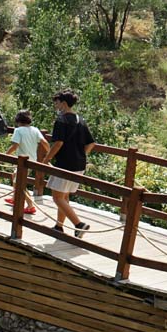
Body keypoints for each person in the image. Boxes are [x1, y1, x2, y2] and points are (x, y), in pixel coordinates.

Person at [41, 90, 97, 238]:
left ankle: (79, 225)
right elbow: (91, 143)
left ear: (63, 103)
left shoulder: (61, 120)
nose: (55, 105)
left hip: (65, 164)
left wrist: (46, 160)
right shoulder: (80, 120)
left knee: (57, 197)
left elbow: (58, 143)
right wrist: (80, 154)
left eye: (57, 102)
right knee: (64, 196)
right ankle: (59, 226)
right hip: (79, 165)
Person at [3, 110, 49, 214]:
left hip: (22, 161)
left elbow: (15, 146)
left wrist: (6, 154)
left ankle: (30, 206)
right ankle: (15, 198)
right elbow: (45, 142)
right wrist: (48, 155)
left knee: (20, 183)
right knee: (14, 176)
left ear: (18, 120)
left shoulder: (18, 130)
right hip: (32, 160)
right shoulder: (35, 130)